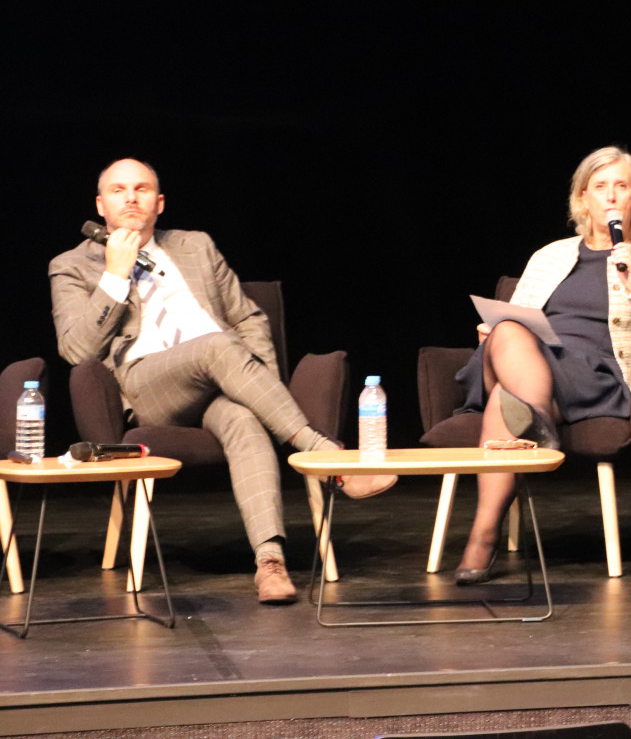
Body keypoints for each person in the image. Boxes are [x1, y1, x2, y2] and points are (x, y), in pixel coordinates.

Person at [49, 158, 396, 605]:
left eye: (141, 189)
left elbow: (248, 318)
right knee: (216, 344)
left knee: (244, 421)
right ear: (100, 204)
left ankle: (269, 562)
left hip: (221, 381)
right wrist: (116, 273)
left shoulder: (195, 246)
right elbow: (77, 350)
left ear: (160, 203)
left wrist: (257, 384)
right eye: (118, 190)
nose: (130, 197)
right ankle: (325, 453)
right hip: (149, 385)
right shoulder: (72, 265)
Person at [450, 146, 631, 584]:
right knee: (506, 333)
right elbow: (518, 320)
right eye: (600, 187)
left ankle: (481, 541)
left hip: (598, 373)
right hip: (533, 359)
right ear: (582, 200)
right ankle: (538, 422)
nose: (611, 197)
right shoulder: (548, 257)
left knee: (508, 398)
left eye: (622, 186)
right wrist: (494, 334)